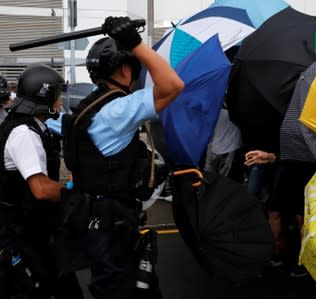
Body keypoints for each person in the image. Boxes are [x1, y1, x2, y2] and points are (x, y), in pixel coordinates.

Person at [62, 16, 183, 299]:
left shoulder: (86, 108)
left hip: (95, 222)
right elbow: (173, 85)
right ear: (125, 69)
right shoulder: (118, 111)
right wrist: (135, 42)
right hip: (113, 229)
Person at [0, 64, 84, 298]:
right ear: (44, 96)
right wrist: (78, 193)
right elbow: (41, 189)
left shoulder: (29, 126)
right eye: (57, 95)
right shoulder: (24, 134)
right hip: (26, 234)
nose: (60, 101)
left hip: (32, 228)